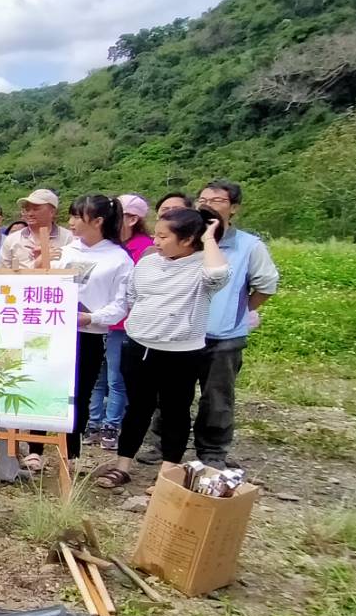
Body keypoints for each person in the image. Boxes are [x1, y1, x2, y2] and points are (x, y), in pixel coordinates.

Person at [82, 208, 229, 488]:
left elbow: (218, 275)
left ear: (187, 240)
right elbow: (133, 296)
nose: (156, 241)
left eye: (163, 236)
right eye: (156, 235)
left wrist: (209, 237)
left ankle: (167, 473)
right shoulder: (148, 263)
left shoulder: (202, 266)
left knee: (175, 411)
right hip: (139, 346)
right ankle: (122, 465)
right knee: (136, 408)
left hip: (182, 352)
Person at [191, 179, 280, 468]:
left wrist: (241, 310)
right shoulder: (186, 239)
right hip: (181, 332)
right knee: (170, 393)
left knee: (217, 397)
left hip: (224, 335)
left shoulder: (249, 246)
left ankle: (212, 451)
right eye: (203, 199)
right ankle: (162, 444)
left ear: (234, 208)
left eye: (217, 200)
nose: (207, 205)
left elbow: (266, 285)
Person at [50, 194, 133, 460]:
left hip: (88, 335)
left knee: (79, 393)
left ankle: (70, 452)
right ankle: (37, 448)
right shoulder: (67, 251)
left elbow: (121, 304)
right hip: (54, 330)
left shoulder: (119, 258)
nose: (71, 222)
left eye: (77, 216)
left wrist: (91, 317)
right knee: (46, 385)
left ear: (97, 221)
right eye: (71, 215)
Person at [90, 194, 153, 449]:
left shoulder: (146, 248)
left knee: (117, 378)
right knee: (97, 377)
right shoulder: (102, 246)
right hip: (94, 323)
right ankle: (92, 422)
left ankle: (111, 424)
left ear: (133, 219)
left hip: (123, 325)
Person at [1, 188, 72, 271]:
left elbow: (75, 271)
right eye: (27, 210)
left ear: (52, 212)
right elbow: (2, 273)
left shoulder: (68, 238)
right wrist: (38, 263)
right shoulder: (12, 240)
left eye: (36, 209)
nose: (30, 214)